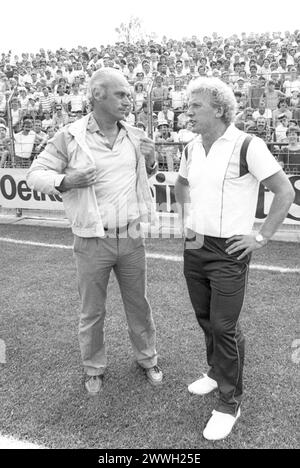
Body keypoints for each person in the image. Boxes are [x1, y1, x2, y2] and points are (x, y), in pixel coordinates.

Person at [27, 68, 163, 395]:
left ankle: (148, 359)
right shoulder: (69, 135)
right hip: (91, 239)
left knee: (139, 304)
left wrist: (153, 158)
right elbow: (35, 175)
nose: (129, 100)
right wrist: (66, 181)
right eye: (121, 94)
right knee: (92, 310)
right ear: (98, 94)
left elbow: (147, 174)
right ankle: (93, 367)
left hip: (131, 236)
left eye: (130, 94)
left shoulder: (135, 133)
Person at [174, 77, 295, 441]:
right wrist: (187, 220)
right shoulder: (191, 147)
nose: (188, 111)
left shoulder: (248, 144)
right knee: (206, 319)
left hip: (230, 250)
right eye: (188, 105)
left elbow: (284, 191)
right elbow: (181, 185)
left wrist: (260, 236)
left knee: (224, 325)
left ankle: (229, 403)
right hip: (195, 245)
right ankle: (216, 373)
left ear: (220, 109)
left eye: (196, 105)